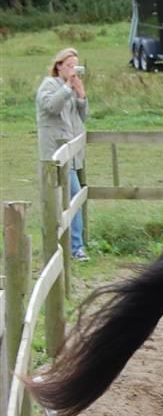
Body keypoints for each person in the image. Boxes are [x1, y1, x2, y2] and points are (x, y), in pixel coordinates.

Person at [35, 47, 90, 260]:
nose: (73, 70)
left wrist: (81, 95)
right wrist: (68, 87)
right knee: (70, 198)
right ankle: (75, 247)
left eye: (75, 66)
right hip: (55, 156)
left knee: (69, 201)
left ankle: (67, 244)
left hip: (71, 155)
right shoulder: (49, 86)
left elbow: (83, 117)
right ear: (59, 66)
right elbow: (51, 107)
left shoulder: (72, 88)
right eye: (69, 66)